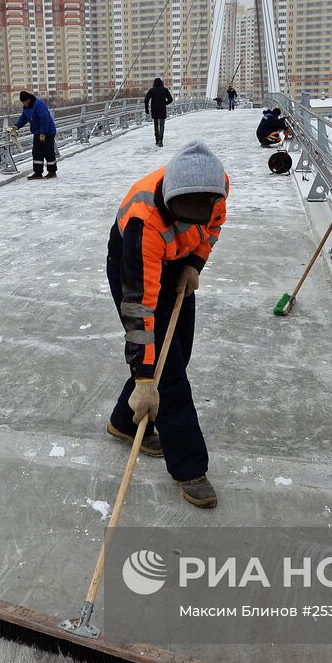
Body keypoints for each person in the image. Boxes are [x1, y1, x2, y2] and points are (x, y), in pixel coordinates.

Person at [106, 141, 228, 509]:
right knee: (167, 371)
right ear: (168, 199)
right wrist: (145, 380)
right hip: (137, 262)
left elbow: (213, 228)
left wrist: (195, 264)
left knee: (179, 351)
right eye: (181, 216)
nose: (190, 223)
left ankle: (124, 423)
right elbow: (140, 314)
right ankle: (190, 467)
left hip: (179, 261)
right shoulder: (145, 220)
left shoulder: (215, 187)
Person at [11, 91, 57, 179]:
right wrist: (17, 126)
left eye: (25, 102)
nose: (24, 104)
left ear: (29, 99)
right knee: (37, 152)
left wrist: (43, 133)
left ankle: (52, 172)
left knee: (48, 152)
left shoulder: (38, 105)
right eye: (23, 102)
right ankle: (38, 173)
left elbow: (44, 120)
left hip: (47, 132)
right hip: (37, 132)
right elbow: (24, 118)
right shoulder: (26, 107)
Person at [143, 77, 173, 147]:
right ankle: (161, 141)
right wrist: (164, 103)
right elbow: (170, 99)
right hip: (162, 109)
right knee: (162, 125)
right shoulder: (165, 90)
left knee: (156, 125)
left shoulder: (151, 90)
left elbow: (146, 100)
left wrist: (146, 109)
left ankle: (157, 140)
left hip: (154, 109)